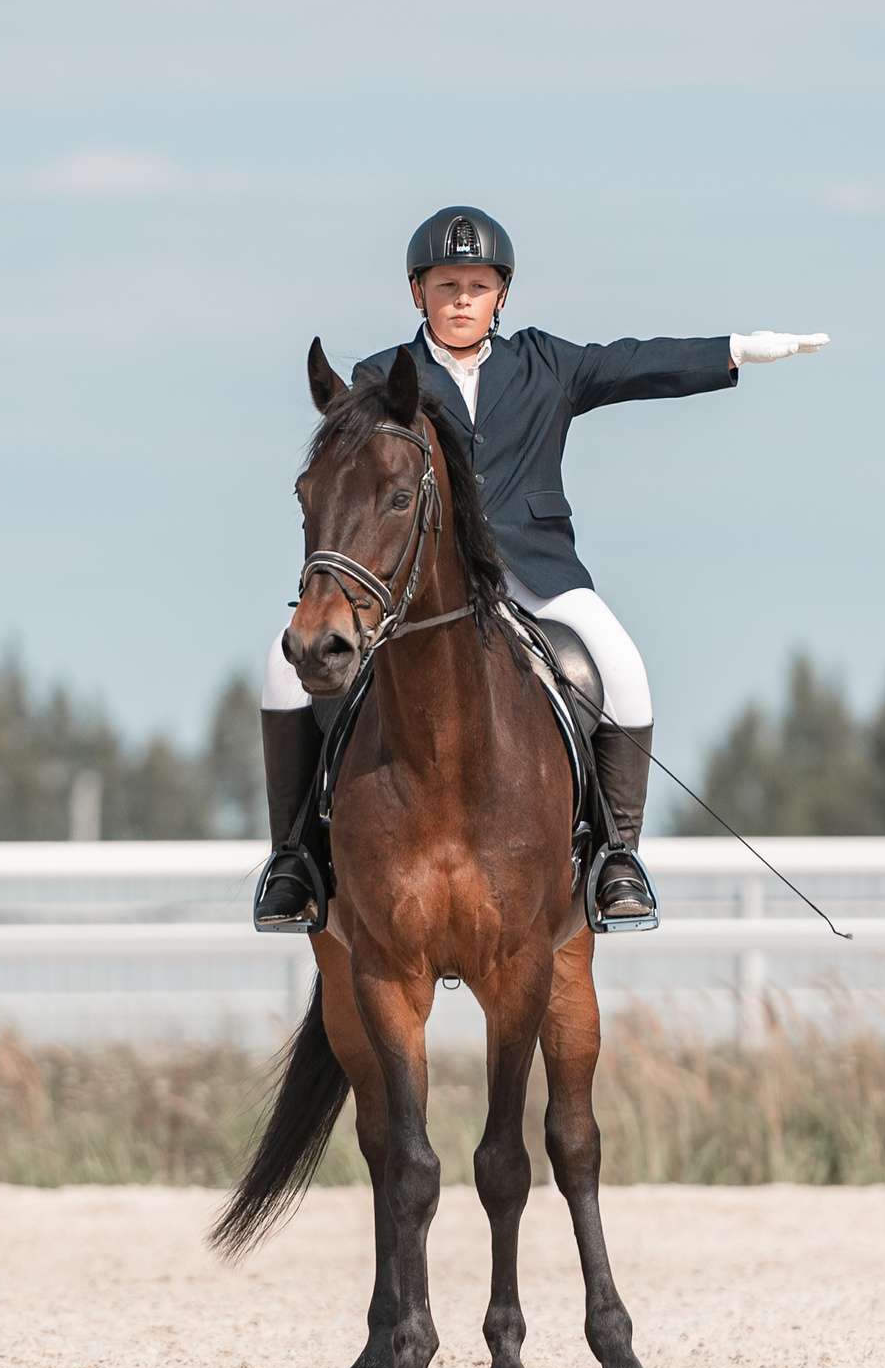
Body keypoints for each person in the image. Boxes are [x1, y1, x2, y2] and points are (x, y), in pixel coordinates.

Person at [256, 205, 826, 932]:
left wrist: (737, 350)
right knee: (281, 668)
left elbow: (631, 363)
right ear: (417, 293)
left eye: (477, 284)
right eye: (446, 284)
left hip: (536, 573)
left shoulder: (544, 363)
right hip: (420, 585)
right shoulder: (384, 377)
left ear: (501, 294)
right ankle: (294, 859)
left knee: (623, 668)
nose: (462, 299)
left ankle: (618, 854)